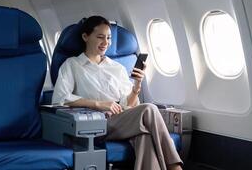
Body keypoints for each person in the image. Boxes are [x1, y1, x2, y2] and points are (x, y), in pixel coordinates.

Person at [52, 16, 183, 170]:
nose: (106, 42)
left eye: (108, 38)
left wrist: (137, 86)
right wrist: (98, 104)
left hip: (121, 119)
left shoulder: (117, 68)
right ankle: (174, 165)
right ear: (85, 37)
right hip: (94, 124)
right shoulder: (72, 65)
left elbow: (128, 104)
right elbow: (60, 99)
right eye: (100, 37)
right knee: (149, 109)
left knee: (145, 136)